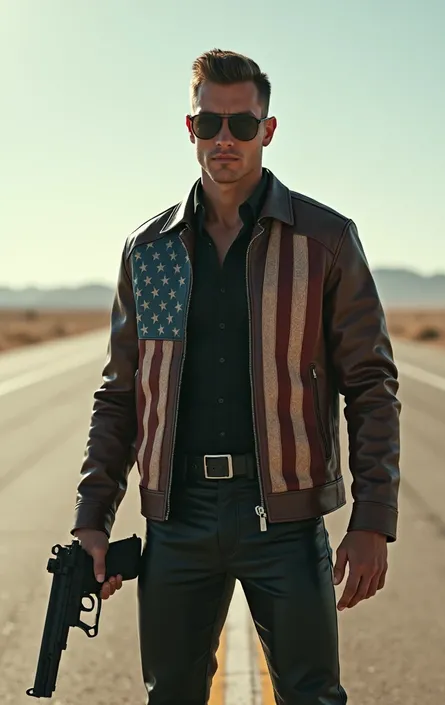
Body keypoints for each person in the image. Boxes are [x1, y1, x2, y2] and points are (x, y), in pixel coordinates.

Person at [71, 48, 401, 704]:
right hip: (178, 518)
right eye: (209, 123)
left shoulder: (324, 240)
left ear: (267, 130)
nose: (225, 139)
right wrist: (92, 516)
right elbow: (121, 392)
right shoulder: (153, 250)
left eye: (242, 125)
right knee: (172, 695)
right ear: (188, 128)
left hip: (283, 515)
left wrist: (373, 517)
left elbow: (370, 383)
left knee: (313, 695)